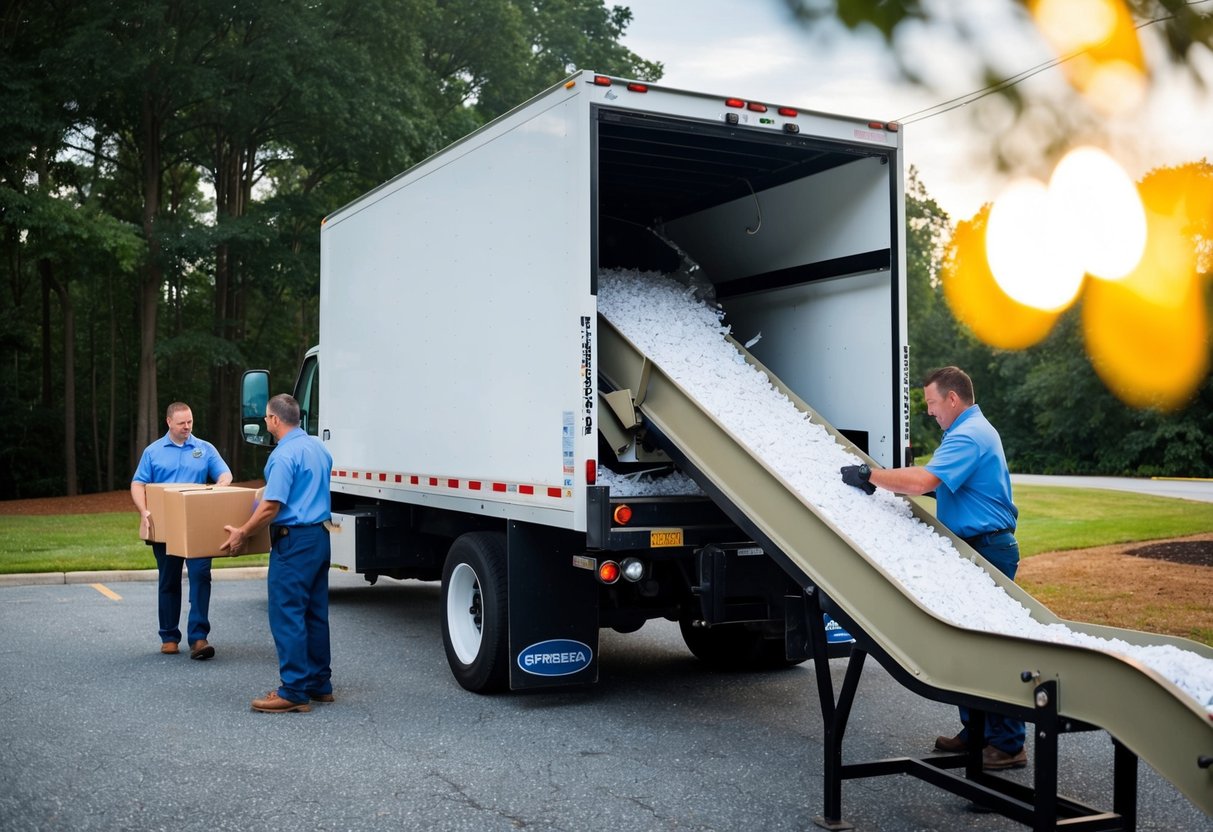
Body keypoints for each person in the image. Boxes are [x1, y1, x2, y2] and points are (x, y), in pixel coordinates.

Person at [839, 366, 1027, 771]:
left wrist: (869, 475)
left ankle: (1009, 744)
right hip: (973, 549)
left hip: (987, 550)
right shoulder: (964, 433)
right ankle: (975, 731)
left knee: (992, 649)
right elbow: (932, 484)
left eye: (932, 403)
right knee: (966, 644)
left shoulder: (969, 435)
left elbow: (923, 481)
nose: (929, 411)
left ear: (953, 399)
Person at [220, 393, 333, 714]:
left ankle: (294, 690)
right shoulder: (318, 448)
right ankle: (319, 684)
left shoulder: (283, 456)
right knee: (314, 612)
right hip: (319, 537)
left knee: (287, 614)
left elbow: (272, 505)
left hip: (294, 542)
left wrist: (243, 531)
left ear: (273, 420)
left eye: (267, 418)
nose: (267, 422)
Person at [131, 402, 232, 659]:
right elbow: (138, 483)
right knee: (169, 579)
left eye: (190, 422)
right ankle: (169, 636)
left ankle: (199, 638)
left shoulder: (204, 449)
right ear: (169, 422)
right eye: (181, 423)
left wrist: (218, 486)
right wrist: (144, 512)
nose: (187, 427)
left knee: (201, 575)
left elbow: (225, 475)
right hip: (165, 526)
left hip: (197, 524)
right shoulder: (153, 452)